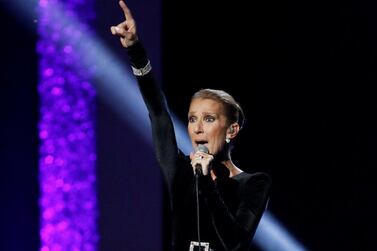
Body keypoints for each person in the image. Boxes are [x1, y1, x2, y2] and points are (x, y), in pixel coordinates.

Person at [110, 1, 272, 250]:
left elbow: (234, 242)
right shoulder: (179, 170)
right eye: (192, 119)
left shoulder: (254, 184)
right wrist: (135, 50)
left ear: (232, 130)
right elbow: (158, 111)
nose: (197, 128)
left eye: (209, 119)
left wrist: (206, 181)